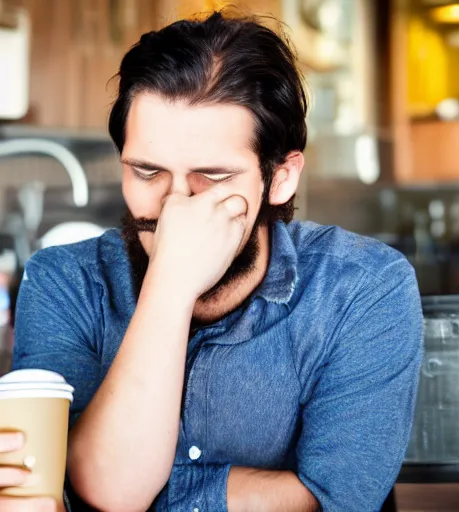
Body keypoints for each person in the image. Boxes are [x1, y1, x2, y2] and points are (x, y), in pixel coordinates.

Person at [1, 10, 424, 512]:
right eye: (146, 170)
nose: (175, 205)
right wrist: (171, 287)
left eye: (213, 176)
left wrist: (140, 492)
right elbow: (103, 491)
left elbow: (330, 502)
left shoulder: (363, 287)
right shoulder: (63, 282)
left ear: (281, 177)